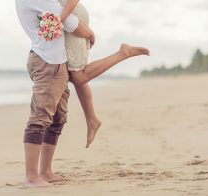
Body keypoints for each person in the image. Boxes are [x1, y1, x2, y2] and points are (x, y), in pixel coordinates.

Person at [15, 0, 149, 188]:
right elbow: (67, 21)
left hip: (56, 61)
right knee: (40, 118)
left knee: (57, 119)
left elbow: (62, 18)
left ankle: (45, 172)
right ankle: (31, 176)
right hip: (47, 62)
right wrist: (89, 33)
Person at [59, 0, 150, 148]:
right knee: (74, 72)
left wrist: (60, 19)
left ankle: (123, 53)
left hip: (70, 16)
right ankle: (92, 119)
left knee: (78, 75)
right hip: (67, 16)